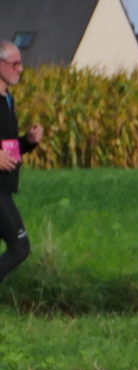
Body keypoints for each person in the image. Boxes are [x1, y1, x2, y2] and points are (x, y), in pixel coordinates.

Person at [0, 40, 42, 284]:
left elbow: (8, 148)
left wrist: (28, 141)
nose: (20, 69)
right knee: (20, 248)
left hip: (5, 187)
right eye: (15, 63)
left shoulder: (7, 100)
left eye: (21, 63)